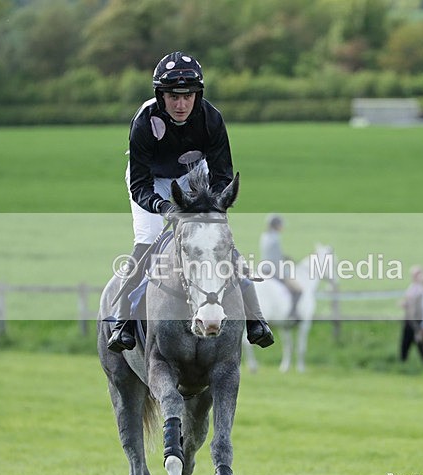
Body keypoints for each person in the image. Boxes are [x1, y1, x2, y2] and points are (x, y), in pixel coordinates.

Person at [107, 51, 273, 352]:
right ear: (161, 95)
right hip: (151, 182)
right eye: (173, 96)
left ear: (198, 95)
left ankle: (255, 318)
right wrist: (164, 207)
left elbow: (223, 175)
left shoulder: (211, 118)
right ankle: (123, 323)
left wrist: (215, 205)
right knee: (147, 240)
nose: (181, 104)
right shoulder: (144, 121)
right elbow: (139, 185)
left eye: (188, 96)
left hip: (194, 177)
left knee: (216, 238)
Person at [259, 214, 302, 319]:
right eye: (281, 225)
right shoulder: (275, 239)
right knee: (298, 289)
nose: (283, 227)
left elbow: (271, 255)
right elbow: (276, 261)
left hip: (263, 268)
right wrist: (287, 275)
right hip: (273, 270)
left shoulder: (265, 236)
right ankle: (293, 313)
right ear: (277, 225)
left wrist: (285, 257)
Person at [398, 265, 423, 363]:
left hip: (418, 319)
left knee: (421, 342)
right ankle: (402, 363)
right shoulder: (412, 287)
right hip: (409, 319)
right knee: (405, 342)